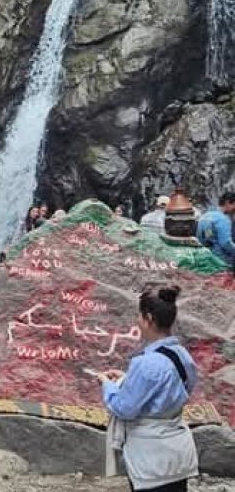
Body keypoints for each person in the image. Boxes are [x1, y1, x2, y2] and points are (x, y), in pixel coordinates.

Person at [98, 285, 198, 491]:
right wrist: (128, 380)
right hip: (178, 452)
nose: (137, 320)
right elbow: (175, 389)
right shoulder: (183, 356)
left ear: (149, 319)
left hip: (151, 457)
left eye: (139, 315)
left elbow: (124, 408)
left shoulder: (145, 364)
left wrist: (108, 386)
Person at [196, 192, 235, 271]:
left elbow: (205, 237)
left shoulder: (206, 216)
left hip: (206, 257)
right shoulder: (223, 220)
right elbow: (226, 243)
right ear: (228, 203)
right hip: (221, 260)